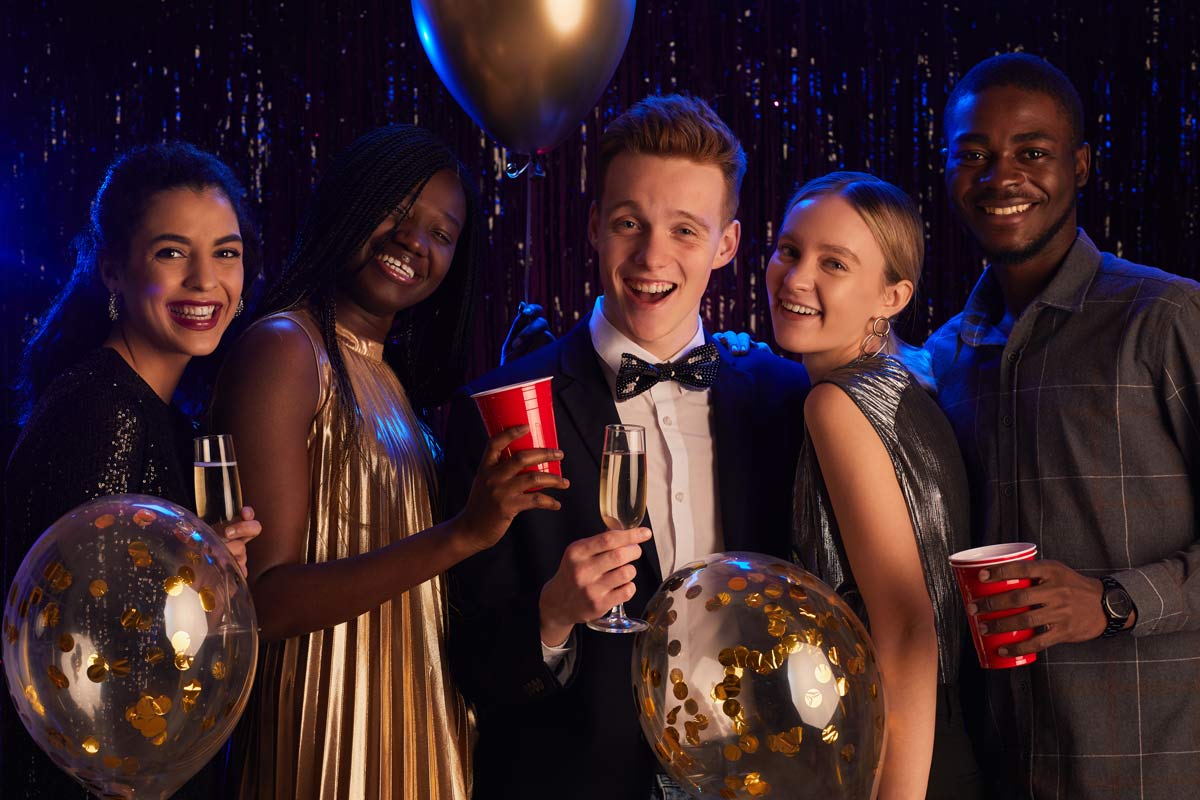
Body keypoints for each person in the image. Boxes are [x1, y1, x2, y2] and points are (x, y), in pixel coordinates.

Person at [441, 94, 810, 800]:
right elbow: (470, 663)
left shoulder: (784, 398)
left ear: (728, 245)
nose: (651, 257)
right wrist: (551, 617)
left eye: (685, 230)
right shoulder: (504, 409)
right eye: (628, 224)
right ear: (594, 227)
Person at [212, 124, 567, 800]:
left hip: (418, 724)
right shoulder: (287, 349)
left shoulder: (393, 384)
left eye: (442, 232)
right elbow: (263, 601)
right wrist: (463, 532)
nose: (414, 240)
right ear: (350, 201)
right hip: (324, 734)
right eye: (398, 211)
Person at [926, 53, 1200, 798]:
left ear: (1078, 165)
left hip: (1161, 770)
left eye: (1032, 153)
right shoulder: (947, 355)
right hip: (1005, 773)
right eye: (973, 155)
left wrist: (1114, 601)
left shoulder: (1169, 317)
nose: (1001, 176)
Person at [4, 141, 263, 798]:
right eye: (172, 252)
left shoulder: (160, 413)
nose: (206, 280)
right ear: (113, 270)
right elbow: (87, 649)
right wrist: (199, 577)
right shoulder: (107, 410)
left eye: (225, 252)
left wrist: (205, 562)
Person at [767, 172, 982, 799]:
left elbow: (911, 629)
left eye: (833, 263)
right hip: (937, 736)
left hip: (897, 752)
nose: (796, 278)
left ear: (892, 295)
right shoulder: (909, 376)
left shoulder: (834, 406)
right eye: (789, 249)